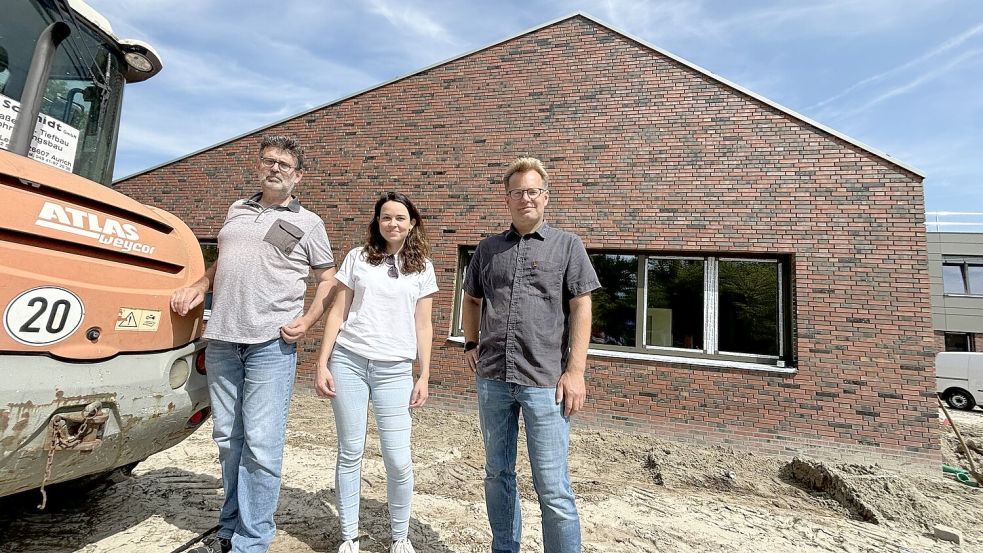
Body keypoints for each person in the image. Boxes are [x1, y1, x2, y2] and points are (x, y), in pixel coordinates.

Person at [171, 135, 337, 553]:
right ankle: (228, 529)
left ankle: (252, 540)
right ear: (259, 166)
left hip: (271, 344)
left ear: (298, 176)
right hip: (224, 339)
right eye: (269, 161)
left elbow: (328, 278)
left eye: (284, 164)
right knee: (228, 438)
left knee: (261, 445)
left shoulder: (309, 223)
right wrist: (199, 283)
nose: (275, 168)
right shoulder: (236, 211)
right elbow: (224, 261)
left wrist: (310, 317)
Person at [462, 157, 600, 553]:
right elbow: (471, 300)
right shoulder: (488, 249)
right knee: (497, 473)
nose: (525, 198)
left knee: (552, 485)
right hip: (492, 380)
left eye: (532, 191)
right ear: (507, 199)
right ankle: (505, 547)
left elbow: (581, 307)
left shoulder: (568, 246)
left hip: (545, 382)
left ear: (545, 197)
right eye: (517, 192)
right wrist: (471, 344)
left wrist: (575, 371)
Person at [314, 191, 437, 553]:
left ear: (412, 223)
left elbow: (425, 325)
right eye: (386, 217)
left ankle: (400, 537)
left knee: (398, 458)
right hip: (349, 361)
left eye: (400, 217)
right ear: (377, 221)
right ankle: (349, 537)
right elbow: (337, 311)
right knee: (350, 451)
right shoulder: (357, 258)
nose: (392, 223)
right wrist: (322, 362)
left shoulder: (423, 266)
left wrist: (424, 374)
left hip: (395, 369)